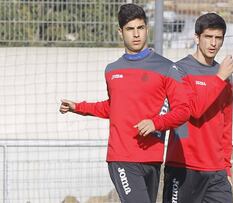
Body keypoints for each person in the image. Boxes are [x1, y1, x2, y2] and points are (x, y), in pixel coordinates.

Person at [59, 4, 190, 203]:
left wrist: (156, 123)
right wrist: (79, 107)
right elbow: (114, 107)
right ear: (120, 32)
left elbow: (183, 111)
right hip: (121, 158)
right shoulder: (112, 70)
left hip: (153, 158)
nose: (136, 34)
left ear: (147, 28)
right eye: (130, 29)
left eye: (140, 28)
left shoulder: (167, 67)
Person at [163, 13, 233, 203]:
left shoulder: (224, 75)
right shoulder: (179, 70)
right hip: (184, 166)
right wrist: (219, 78)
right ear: (197, 38)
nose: (213, 43)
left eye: (218, 38)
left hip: (217, 171)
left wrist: (226, 167)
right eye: (208, 37)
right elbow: (194, 110)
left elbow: (226, 124)